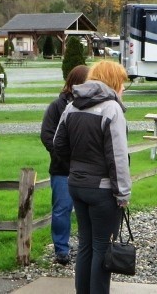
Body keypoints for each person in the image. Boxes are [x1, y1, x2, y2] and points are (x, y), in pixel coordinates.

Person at [54, 60, 131, 294]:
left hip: (77, 185)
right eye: (122, 83)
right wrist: (123, 193)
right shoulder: (111, 109)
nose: (124, 88)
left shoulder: (72, 106)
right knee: (102, 247)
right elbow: (117, 157)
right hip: (102, 189)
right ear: (113, 81)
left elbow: (58, 144)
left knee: (85, 245)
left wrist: (76, 167)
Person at [40, 65, 90, 266]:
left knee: (86, 210)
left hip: (87, 169)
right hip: (62, 169)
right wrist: (63, 155)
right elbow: (47, 135)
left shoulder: (92, 104)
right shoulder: (56, 106)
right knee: (62, 209)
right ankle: (61, 249)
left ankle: (88, 246)